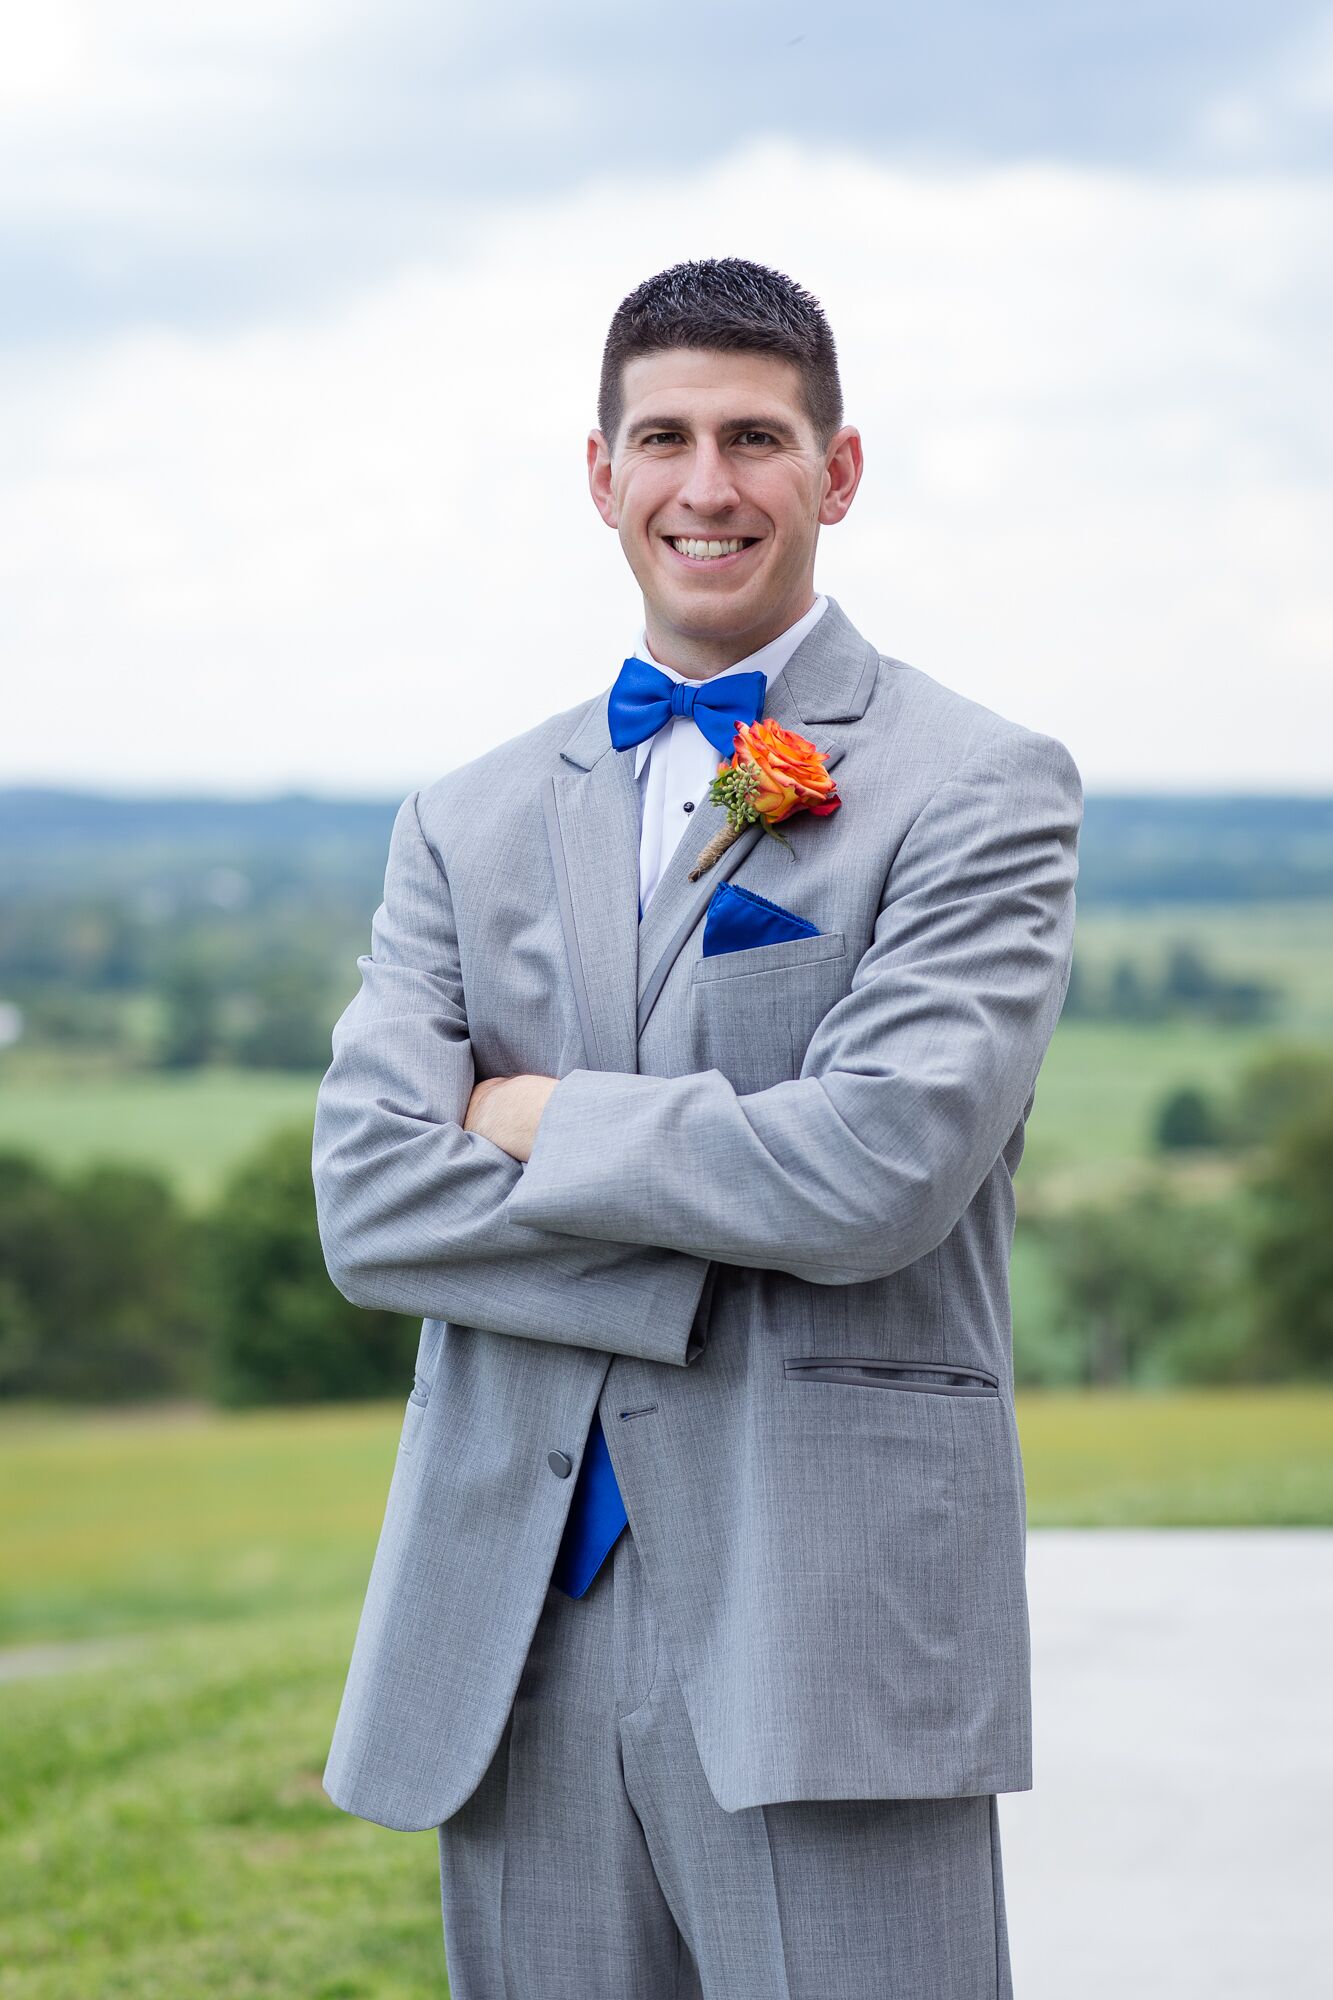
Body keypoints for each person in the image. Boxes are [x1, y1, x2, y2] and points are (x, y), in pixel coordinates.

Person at [312, 255, 1082, 1998]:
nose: (706, 485)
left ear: (838, 470)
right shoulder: (466, 816)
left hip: (823, 1610)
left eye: (755, 436)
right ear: (601, 475)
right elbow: (368, 1204)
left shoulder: (977, 783)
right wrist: (705, 1219)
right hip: (506, 1616)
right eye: (662, 437)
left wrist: (524, 1114)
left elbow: (877, 1169)